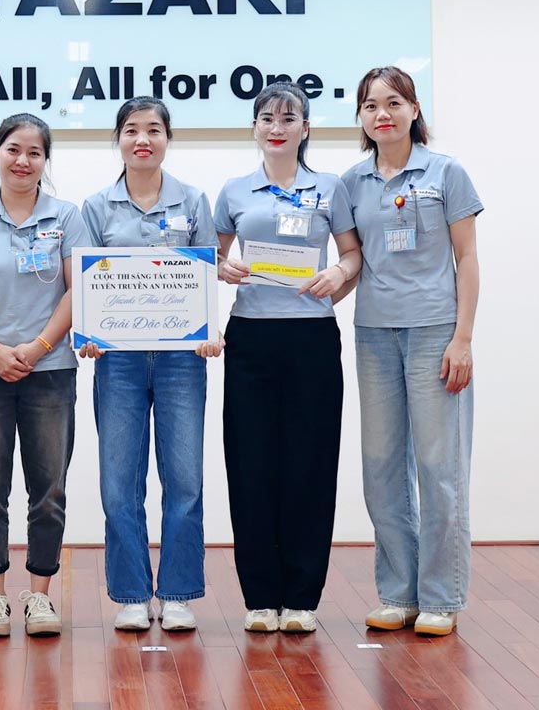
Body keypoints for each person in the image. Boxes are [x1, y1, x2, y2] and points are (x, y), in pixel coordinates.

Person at [214, 81, 362, 633]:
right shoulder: (234, 191)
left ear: (305, 128)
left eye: (288, 117)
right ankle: (259, 597)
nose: (277, 126)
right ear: (255, 128)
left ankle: (302, 597)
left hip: (312, 339)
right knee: (251, 465)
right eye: (267, 117)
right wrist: (221, 267)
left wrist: (339, 273)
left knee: (310, 463)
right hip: (250, 337)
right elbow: (209, 259)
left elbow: (351, 254)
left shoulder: (330, 187)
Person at [340, 66, 482, 637]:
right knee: (381, 468)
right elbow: (352, 261)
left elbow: (467, 259)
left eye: (394, 102)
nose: (383, 114)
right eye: (371, 105)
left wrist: (463, 337)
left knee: (438, 467)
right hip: (374, 334)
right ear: (361, 117)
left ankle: (441, 597)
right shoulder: (351, 183)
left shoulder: (446, 173)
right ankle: (397, 593)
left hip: (435, 335)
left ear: (414, 109)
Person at [80, 97, 221, 633]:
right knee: (120, 480)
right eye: (132, 130)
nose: (143, 139)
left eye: (154, 130)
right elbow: (87, 285)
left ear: (168, 139)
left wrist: (209, 331)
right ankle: (133, 592)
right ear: (117, 139)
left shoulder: (193, 201)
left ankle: (180, 590)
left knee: (184, 477)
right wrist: (89, 334)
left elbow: (205, 276)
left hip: (183, 359)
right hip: (117, 361)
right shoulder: (96, 207)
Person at [0, 113, 88, 637]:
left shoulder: (67, 217)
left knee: (49, 488)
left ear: (45, 161)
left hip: (50, 368)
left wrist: (38, 346)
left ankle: (41, 596)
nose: (23, 160)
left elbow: (79, 289)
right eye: (13, 149)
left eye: (34, 152)